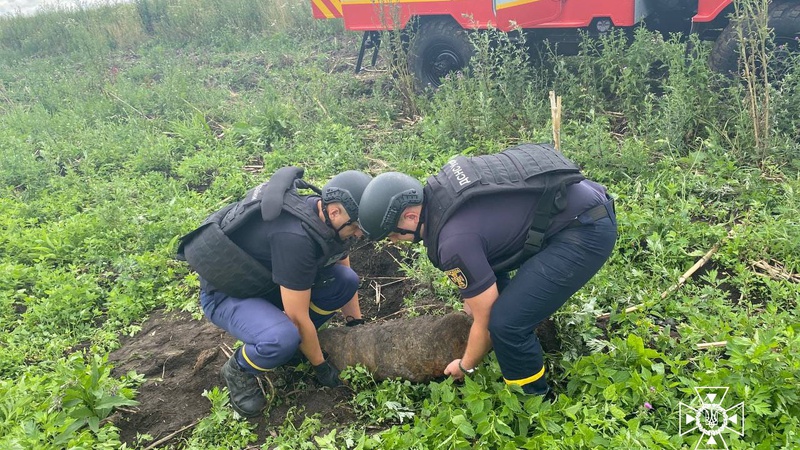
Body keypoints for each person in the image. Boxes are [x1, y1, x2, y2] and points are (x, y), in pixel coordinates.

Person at [357, 143, 617, 397]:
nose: (394, 242)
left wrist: (465, 365)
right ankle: (522, 343)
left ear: (411, 217)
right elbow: (482, 259)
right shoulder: (441, 194)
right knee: (498, 309)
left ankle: (534, 402)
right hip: (574, 202)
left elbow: (487, 319)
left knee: (505, 323)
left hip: (584, 229)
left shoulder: (452, 243)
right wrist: (475, 302)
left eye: (392, 234)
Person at [176, 167, 372, 417]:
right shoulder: (295, 238)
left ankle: (293, 346)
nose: (358, 234)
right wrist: (321, 367)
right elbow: (297, 318)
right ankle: (239, 369)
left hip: (264, 282)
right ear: (334, 212)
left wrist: (356, 322)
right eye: (355, 228)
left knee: (345, 280)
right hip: (228, 293)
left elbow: (342, 263)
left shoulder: (323, 216)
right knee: (282, 336)